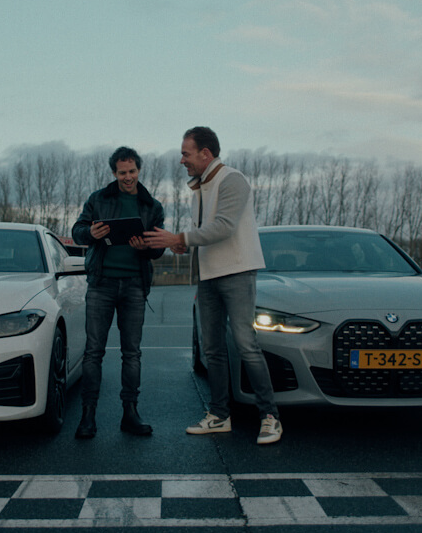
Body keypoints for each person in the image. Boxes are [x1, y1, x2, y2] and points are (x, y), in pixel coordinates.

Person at [143, 127, 282, 445]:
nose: (182, 160)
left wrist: (180, 237)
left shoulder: (232, 179)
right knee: (213, 348)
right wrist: (183, 244)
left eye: (186, 154)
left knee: (246, 344)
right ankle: (219, 415)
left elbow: (223, 227)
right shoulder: (200, 187)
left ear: (205, 153)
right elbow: (205, 232)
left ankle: (270, 417)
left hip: (237, 273)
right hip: (208, 277)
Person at [70, 146, 166, 439]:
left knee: (132, 353)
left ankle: (130, 413)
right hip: (102, 284)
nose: (128, 177)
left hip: (135, 285)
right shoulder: (98, 199)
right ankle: (88, 416)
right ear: (114, 173)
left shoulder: (152, 206)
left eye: (132, 171)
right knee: (93, 352)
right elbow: (77, 231)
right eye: (122, 172)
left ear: (139, 170)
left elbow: (159, 248)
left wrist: (146, 247)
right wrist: (91, 233)